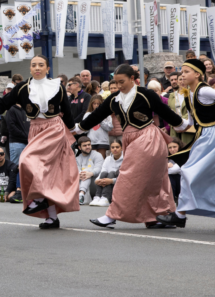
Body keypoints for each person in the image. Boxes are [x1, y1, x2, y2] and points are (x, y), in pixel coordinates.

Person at [79, 64, 188, 229]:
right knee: (152, 180)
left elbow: (164, 110)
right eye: (116, 82)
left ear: (132, 79)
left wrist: (181, 124)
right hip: (129, 140)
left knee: (127, 176)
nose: (119, 85)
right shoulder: (114, 98)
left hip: (148, 138)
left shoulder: (146, 94)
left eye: (122, 81)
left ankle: (112, 215)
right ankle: (155, 217)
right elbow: (97, 115)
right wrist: (78, 128)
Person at [155, 59, 215, 232]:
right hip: (204, 136)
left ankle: (180, 216)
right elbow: (189, 123)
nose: (182, 75)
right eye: (181, 72)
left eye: (186, 72)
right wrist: (169, 124)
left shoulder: (204, 90)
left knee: (188, 172)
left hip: (212, 137)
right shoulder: (188, 94)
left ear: (197, 74)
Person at [0, 55, 78, 229]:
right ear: (29, 69)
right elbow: (3, 105)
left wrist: (74, 129)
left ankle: (38, 199)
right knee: (45, 174)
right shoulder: (23, 88)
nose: (37, 68)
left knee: (27, 160)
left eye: (41, 65)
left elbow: (67, 111)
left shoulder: (57, 86)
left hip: (54, 129)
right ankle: (52, 218)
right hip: (36, 129)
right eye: (33, 65)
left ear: (47, 68)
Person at [89, 139, 123, 207]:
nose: (115, 149)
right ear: (110, 148)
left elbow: (125, 178)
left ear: (121, 148)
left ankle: (106, 198)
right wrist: (97, 181)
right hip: (106, 182)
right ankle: (98, 197)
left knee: (111, 173)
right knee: (104, 173)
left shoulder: (126, 159)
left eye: (117, 147)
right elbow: (102, 171)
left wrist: (111, 181)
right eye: (113, 147)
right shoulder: (107, 159)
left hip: (120, 184)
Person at [168, 73, 196, 148]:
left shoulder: (192, 94)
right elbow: (168, 111)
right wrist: (173, 123)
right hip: (174, 128)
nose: (182, 81)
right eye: (180, 79)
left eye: (184, 79)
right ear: (177, 81)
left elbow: (193, 109)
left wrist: (181, 122)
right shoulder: (172, 95)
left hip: (188, 127)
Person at [75, 136, 104, 205]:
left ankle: (81, 194)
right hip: (82, 181)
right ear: (79, 147)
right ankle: (81, 195)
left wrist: (90, 173)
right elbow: (76, 171)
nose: (87, 147)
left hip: (95, 183)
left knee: (88, 170)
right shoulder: (77, 159)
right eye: (85, 145)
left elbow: (99, 169)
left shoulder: (97, 155)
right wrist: (80, 175)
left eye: (89, 144)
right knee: (83, 173)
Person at [166, 137, 185, 204]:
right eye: (170, 148)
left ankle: (174, 201)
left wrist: (164, 167)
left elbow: (174, 170)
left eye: (175, 147)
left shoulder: (183, 156)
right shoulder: (167, 157)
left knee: (171, 176)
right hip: (173, 181)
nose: (172, 149)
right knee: (169, 178)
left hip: (183, 180)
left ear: (179, 147)